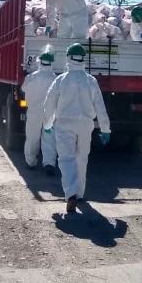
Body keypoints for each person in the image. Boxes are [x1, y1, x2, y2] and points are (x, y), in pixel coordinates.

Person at [43, 43, 111, 213]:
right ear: (83, 59)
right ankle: (80, 193)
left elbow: (49, 103)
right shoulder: (90, 80)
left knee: (66, 159)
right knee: (82, 158)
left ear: (68, 58)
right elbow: (100, 106)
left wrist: (48, 124)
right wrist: (105, 129)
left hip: (64, 124)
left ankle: (71, 193)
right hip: (86, 124)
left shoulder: (61, 80)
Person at [22, 45, 58, 175]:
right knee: (49, 138)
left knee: (32, 137)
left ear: (39, 61)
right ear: (52, 62)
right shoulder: (55, 79)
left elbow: (24, 89)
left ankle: (30, 162)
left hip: (34, 112)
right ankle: (49, 163)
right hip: (49, 113)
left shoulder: (31, 77)